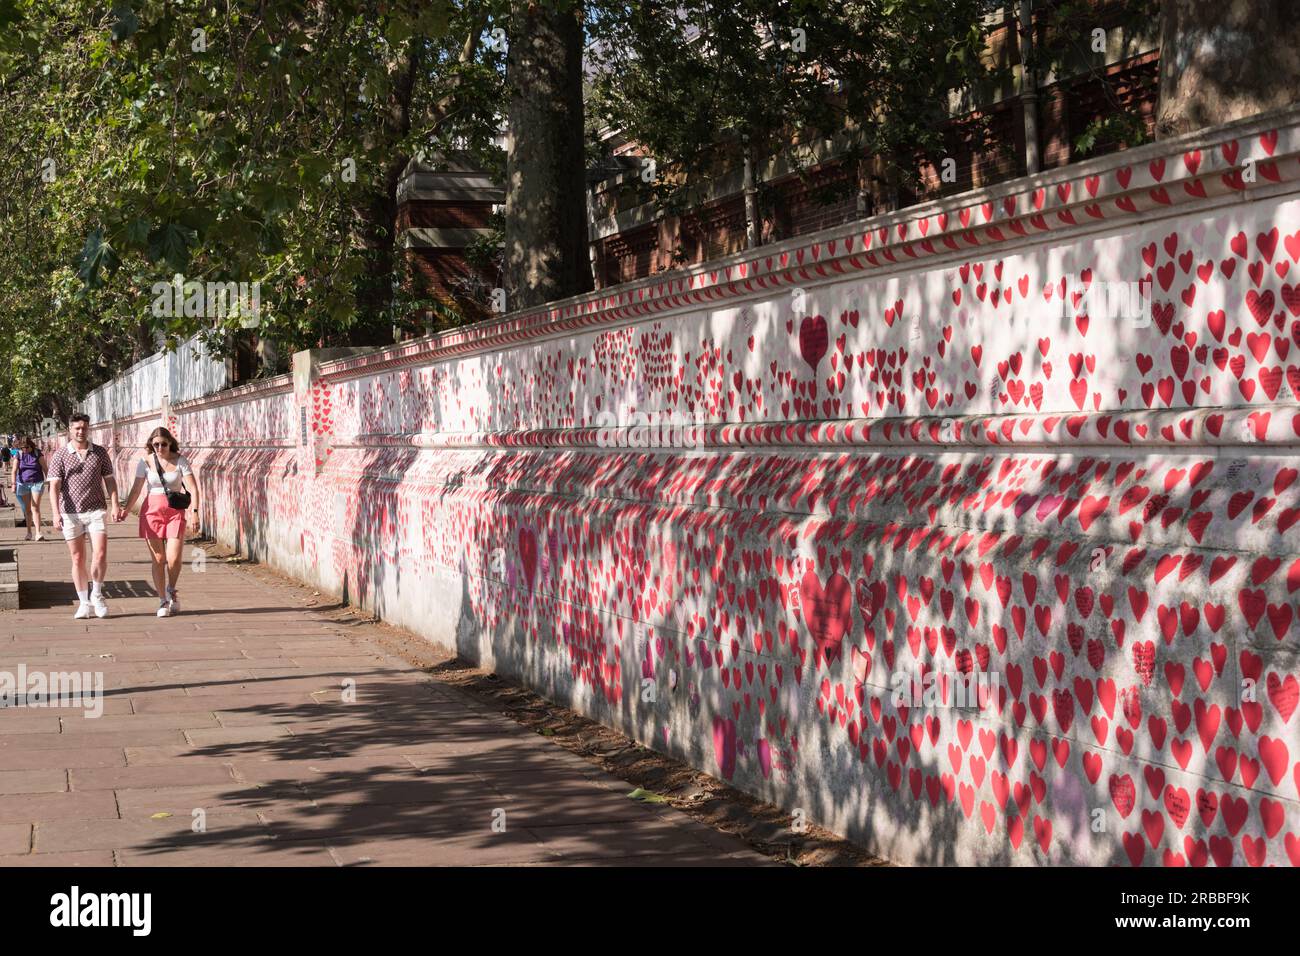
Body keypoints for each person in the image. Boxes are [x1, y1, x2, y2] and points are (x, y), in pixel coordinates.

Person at [46, 414, 122, 619]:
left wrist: (115, 504)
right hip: (70, 513)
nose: (81, 431)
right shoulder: (60, 455)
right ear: (70, 430)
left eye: (84, 428)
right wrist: (55, 513)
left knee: (100, 554)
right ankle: (84, 602)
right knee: (78, 558)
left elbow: (110, 481)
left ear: (88, 429)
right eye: (77, 428)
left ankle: (97, 594)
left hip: (96, 510)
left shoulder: (99, 452)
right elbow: (54, 487)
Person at [118, 427, 200, 617]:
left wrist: (195, 512)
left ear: (170, 442)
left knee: (174, 558)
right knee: (159, 559)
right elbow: (137, 489)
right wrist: (126, 510)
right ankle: (163, 600)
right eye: (156, 444)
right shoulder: (145, 462)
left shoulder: (180, 460)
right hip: (151, 512)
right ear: (151, 445)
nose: (160, 448)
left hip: (174, 512)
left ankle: (171, 589)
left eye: (163, 444)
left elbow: (193, 489)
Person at [12, 436, 47, 541]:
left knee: (35, 507)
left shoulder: (37, 453)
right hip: (23, 483)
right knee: (27, 510)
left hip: (37, 482)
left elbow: (45, 468)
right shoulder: (19, 454)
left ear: (31, 445)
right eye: (22, 448)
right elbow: (14, 470)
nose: (25, 449)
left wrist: (50, 482)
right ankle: (29, 532)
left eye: (27, 447)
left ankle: (38, 533)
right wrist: (13, 484)